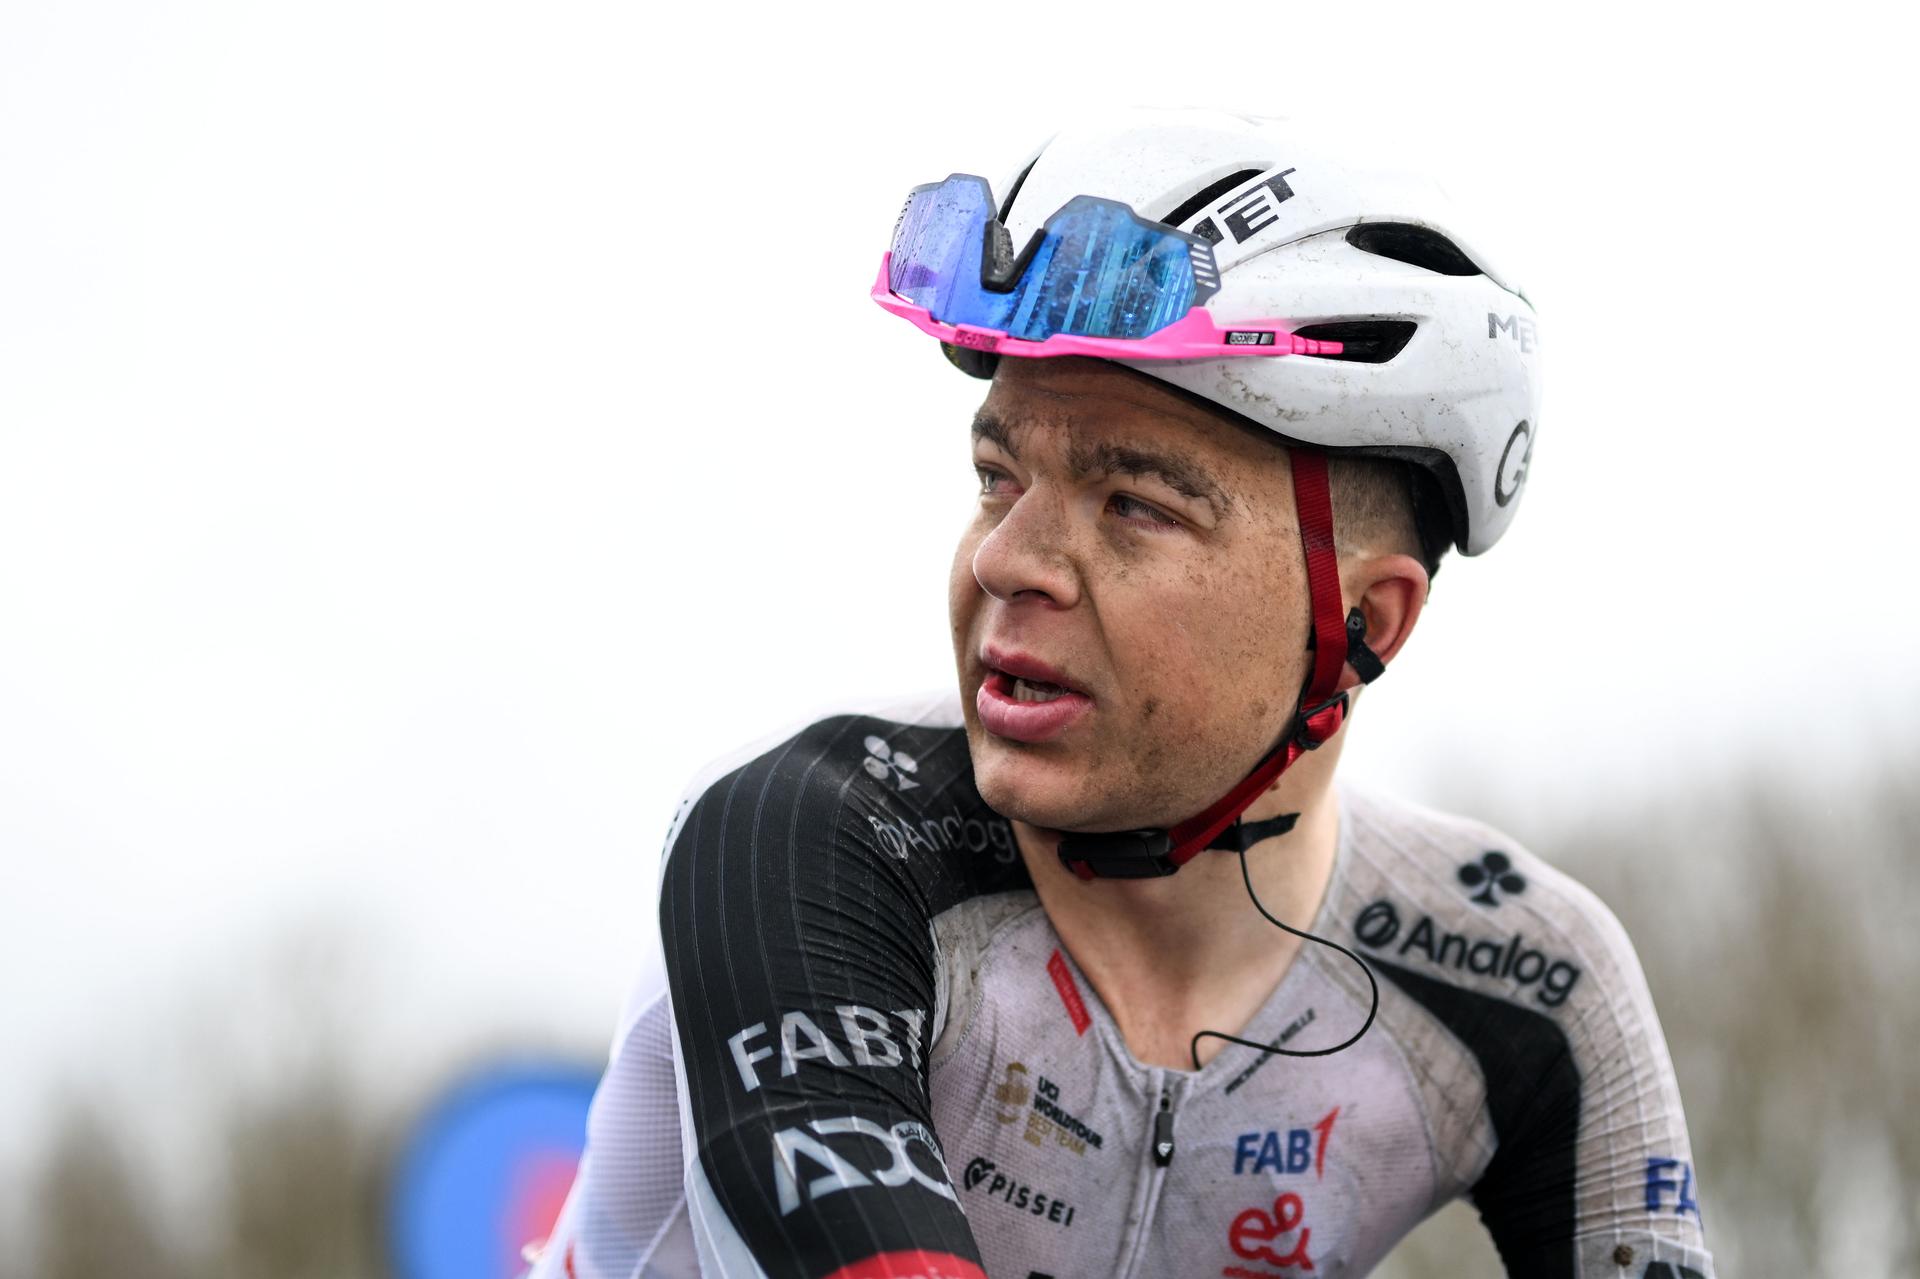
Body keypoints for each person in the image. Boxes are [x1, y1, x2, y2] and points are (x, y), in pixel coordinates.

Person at [527, 110, 1715, 1279]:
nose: (1006, 559)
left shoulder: (1532, 978)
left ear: (1365, 619)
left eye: (1134, 503)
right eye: (998, 478)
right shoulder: (813, 836)